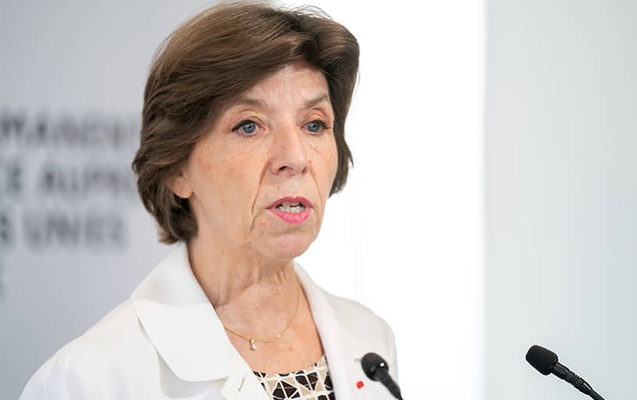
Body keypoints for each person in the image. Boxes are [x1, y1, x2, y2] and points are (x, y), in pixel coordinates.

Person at [20, 2, 398, 399]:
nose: (296, 157)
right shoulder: (91, 378)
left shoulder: (370, 339)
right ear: (176, 168)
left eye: (314, 124)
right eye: (248, 125)